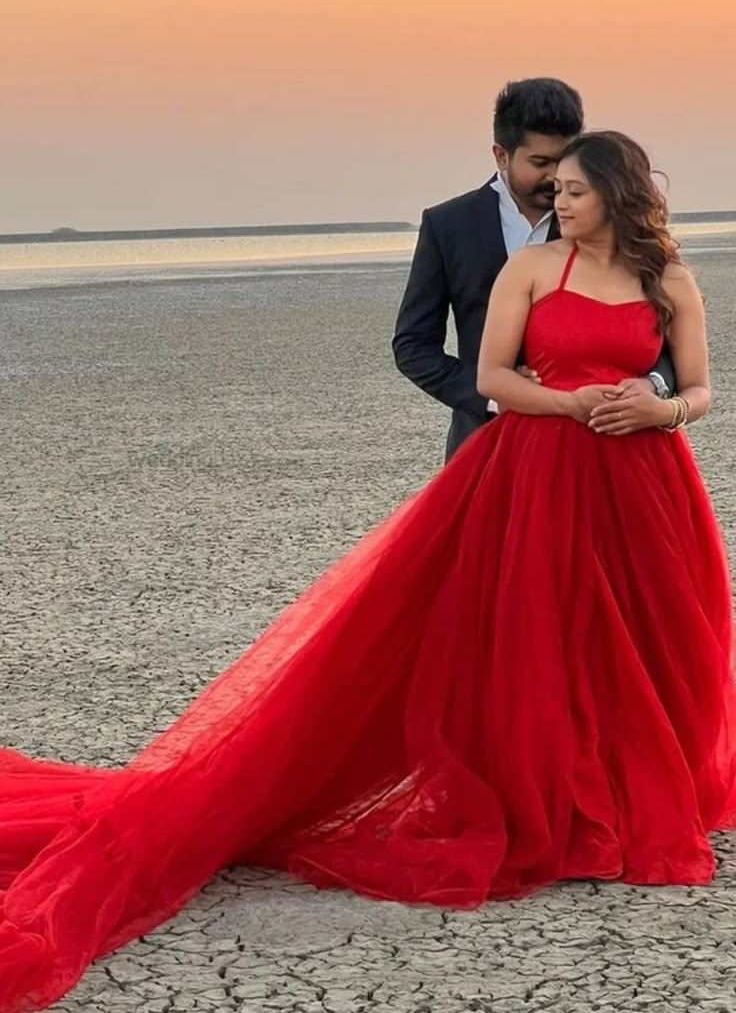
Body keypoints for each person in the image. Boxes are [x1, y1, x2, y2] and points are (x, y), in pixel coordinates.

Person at [1, 131, 735, 1013]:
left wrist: (659, 407)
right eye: (555, 188)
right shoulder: (534, 271)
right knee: (538, 640)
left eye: (575, 190)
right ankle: (559, 807)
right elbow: (495, 378)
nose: (558, 202)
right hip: (536, 473)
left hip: (644, 485)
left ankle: (632, 796)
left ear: (617, 193)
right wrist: (572, 403)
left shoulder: (670, 282)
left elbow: (699, 390)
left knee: (651, 646)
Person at [393, 79, 676, 460]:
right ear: (501, 156)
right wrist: (495, 397)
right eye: (540, 163)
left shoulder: (601, 226)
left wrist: (655, 386)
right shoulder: (448, 225)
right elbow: (413, 346)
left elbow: (656, 328)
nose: (554, 176)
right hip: (484, 442)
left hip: (600, 442)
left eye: (564, 160)